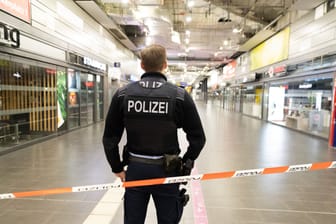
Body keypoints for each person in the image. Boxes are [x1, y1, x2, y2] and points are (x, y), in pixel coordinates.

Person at [102, 44, 206, 224]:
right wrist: (186, 163)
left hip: (135, 170)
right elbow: (198, 138)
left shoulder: (123, 94)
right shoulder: (179, 96)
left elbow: (110, 138)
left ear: (142, 65)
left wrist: (117, 167)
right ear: (165, 65)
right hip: (168, 170)